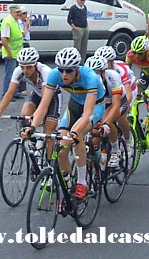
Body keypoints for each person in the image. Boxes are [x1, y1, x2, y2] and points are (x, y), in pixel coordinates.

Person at [25, 47, 105, 200]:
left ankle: (82, 183)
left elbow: (87, 113)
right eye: (61, 70)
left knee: (77, 134)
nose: (64, 75)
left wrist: (75, 132)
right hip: (74, 105)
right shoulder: (54, 75)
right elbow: (43, 106)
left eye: (68, 71)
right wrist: (32, 127)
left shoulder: (90, 77)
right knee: (61, 148)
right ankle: (69, 186)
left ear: (77, 69)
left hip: (95, 106)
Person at [0, 47, 61, 152]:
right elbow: (9, 94)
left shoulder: (46, 72)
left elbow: (44, 104)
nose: (25, 70)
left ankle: (50, 162)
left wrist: (35, 121)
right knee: (24, 115)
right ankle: (33, 147)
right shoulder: (18, 71)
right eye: (23, 67)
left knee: (48, 133)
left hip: (52, 97)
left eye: (28, 67)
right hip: (37, 94)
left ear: (35, 64)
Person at [84, 56, 126, 168]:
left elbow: (116, 105)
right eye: (92, 73)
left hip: (117, 100)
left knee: (107, 121)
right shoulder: (86, 80)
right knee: (94, 131)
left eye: (98, 73)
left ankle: (115, 151)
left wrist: (106, 123)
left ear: (104, 72)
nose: (95, 76)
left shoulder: (112, 77)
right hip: (101, 102)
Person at [1, 4, 25, 100]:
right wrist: (9, 52)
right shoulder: (8, 22)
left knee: (16, 74)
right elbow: (4, 38)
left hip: (17, 53)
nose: (19, 14)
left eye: (19, 12)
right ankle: (6, 94)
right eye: (17, 12)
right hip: (11, 53)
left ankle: (14, 92)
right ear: (11, 12)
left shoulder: (15, 21)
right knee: (9, 74)